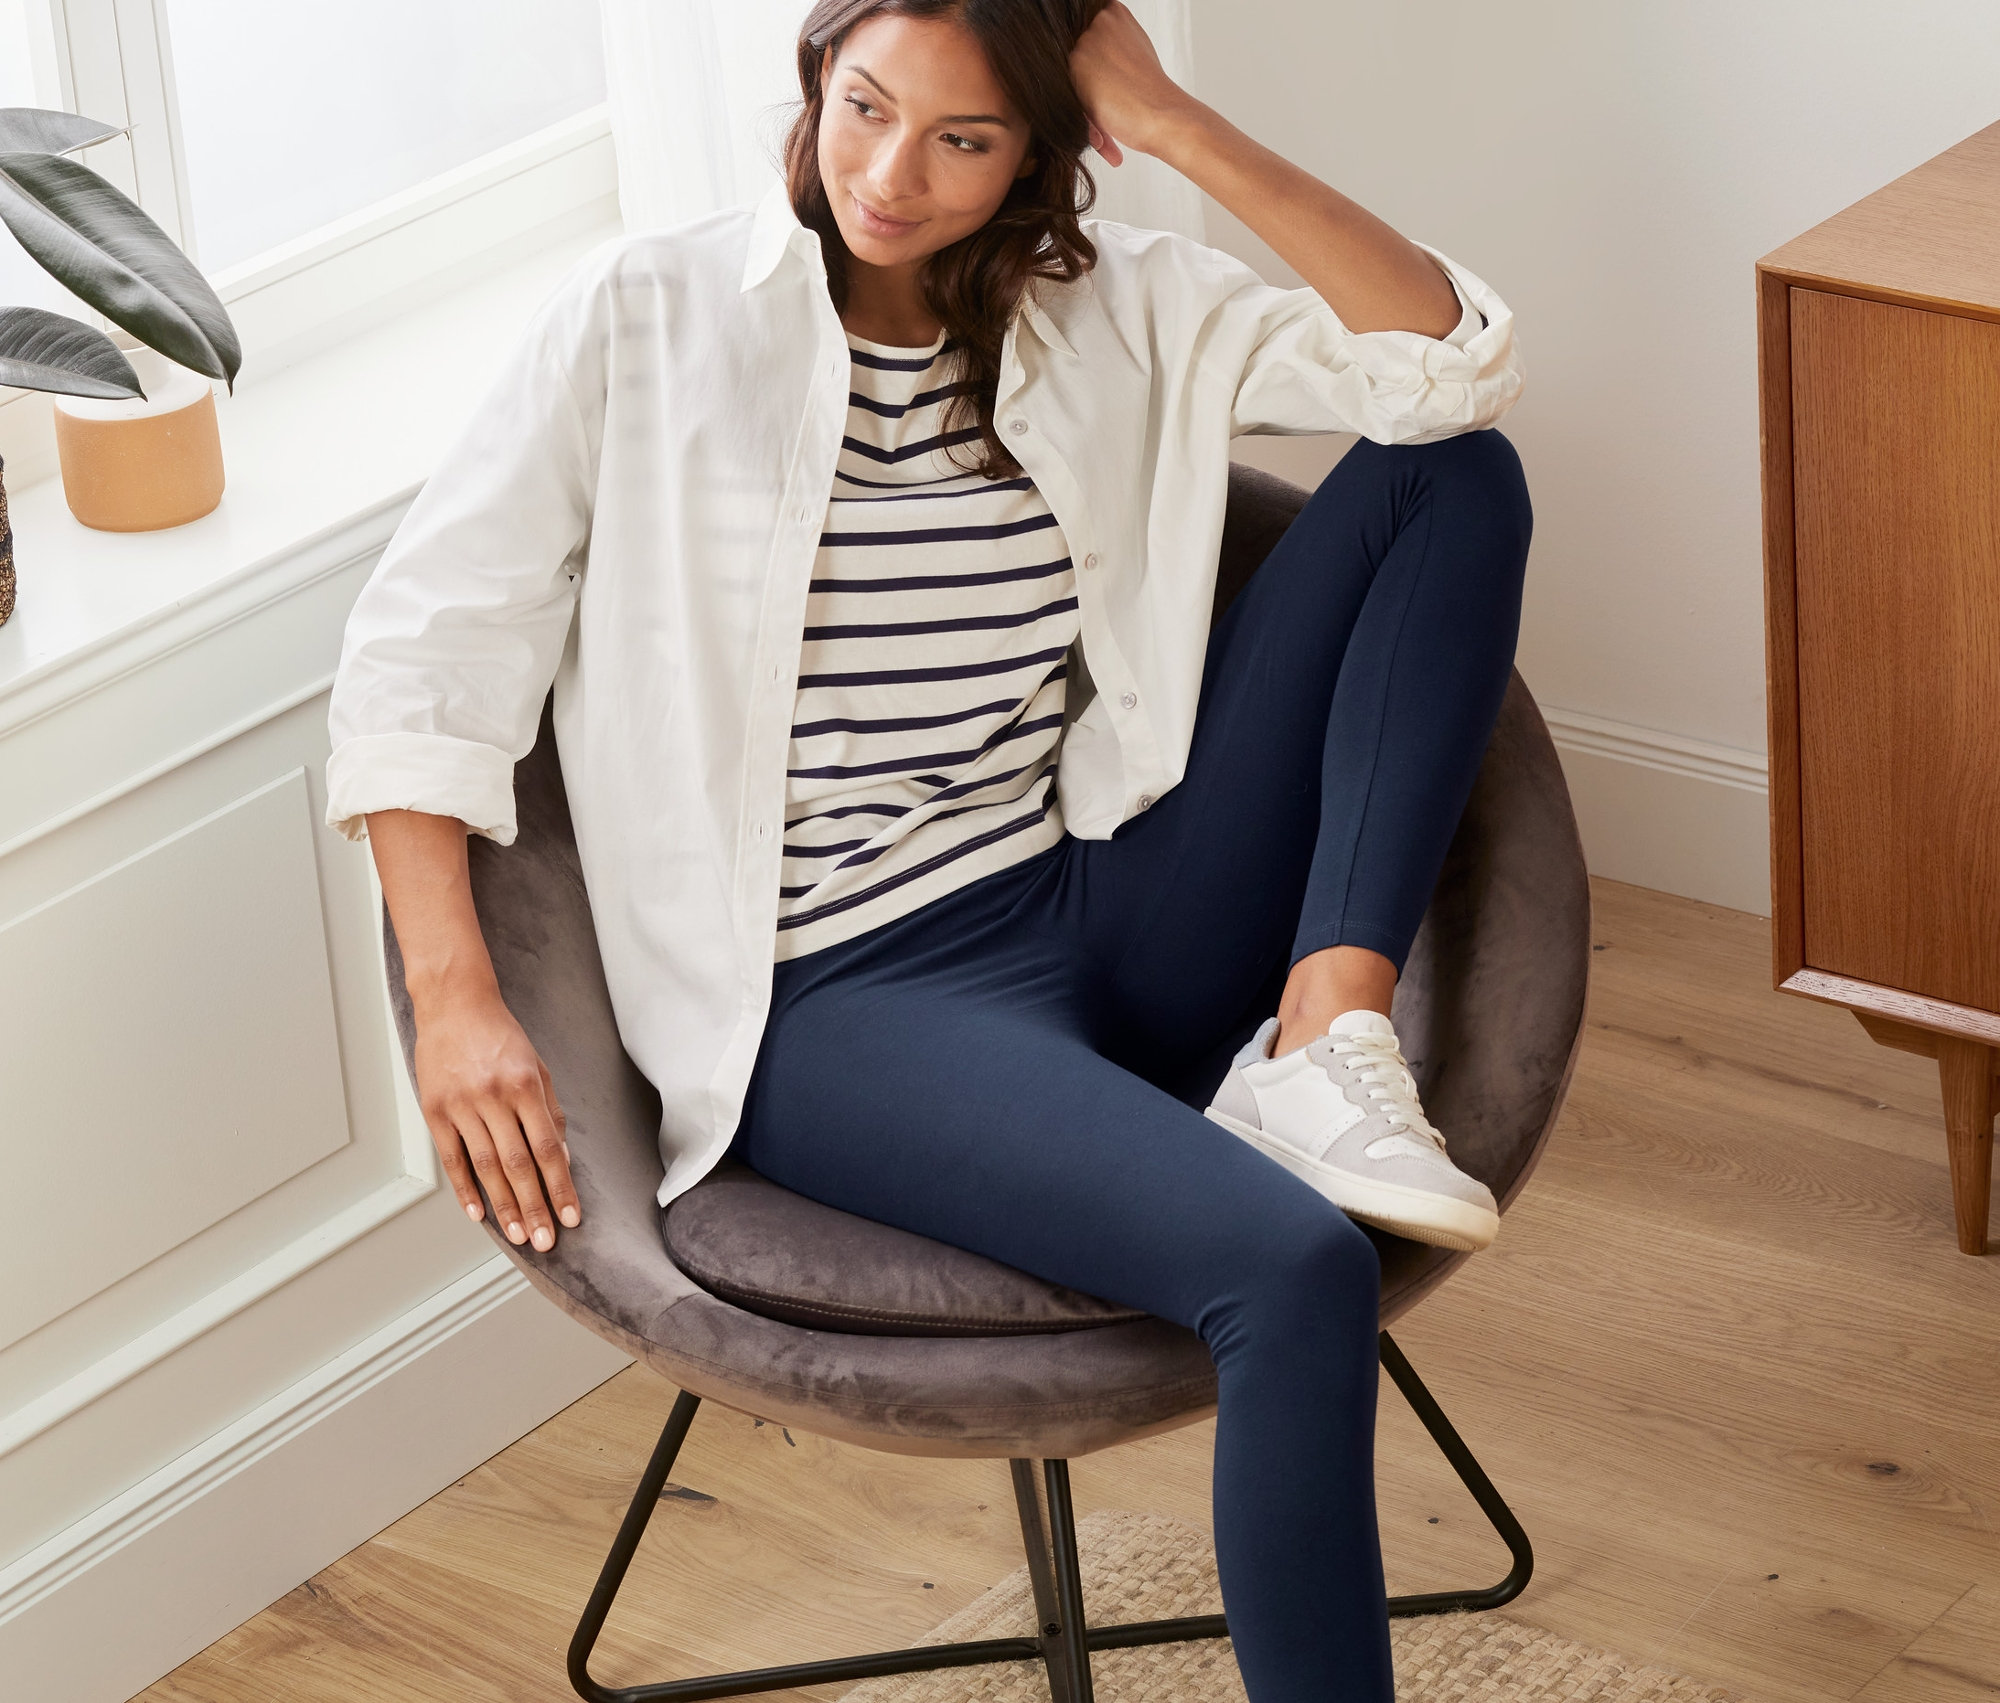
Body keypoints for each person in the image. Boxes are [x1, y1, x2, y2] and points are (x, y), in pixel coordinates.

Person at [326, 1, 1531, 1696]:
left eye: (962, 139)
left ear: (1040, 152)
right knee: (1293, 1268)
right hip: (845, 1000)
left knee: (1454, 475)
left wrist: (1174, 125)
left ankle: (1324, 1030)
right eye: (865, 106)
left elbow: (1452, 363)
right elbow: (424, 657)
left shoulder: (1113, 312)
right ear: (819, 76)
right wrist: (454, 997)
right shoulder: (648, 318)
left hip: (1100, 891)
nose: (886, 174)